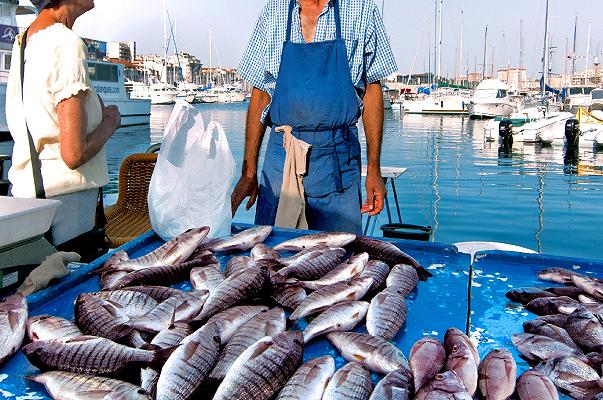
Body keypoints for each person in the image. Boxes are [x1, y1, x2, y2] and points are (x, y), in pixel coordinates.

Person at [231, 0, 397, 235]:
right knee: (273, 256)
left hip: (338, 160)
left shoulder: (362, 9)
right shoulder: (274, 10)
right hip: (281, 158)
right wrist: (248, 173)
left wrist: (373, 170)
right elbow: (259, 94)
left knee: (340, 255)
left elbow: (372, 89)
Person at [6, 0, 121, 245]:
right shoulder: (66, 43)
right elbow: (74, 154)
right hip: (67, 204)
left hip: (31, 197)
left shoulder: (25, 40)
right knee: (76, 279)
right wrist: (111, 122)